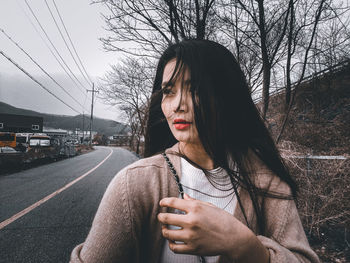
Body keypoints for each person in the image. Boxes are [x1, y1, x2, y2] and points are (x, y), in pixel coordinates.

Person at [70, 39, 320, 263]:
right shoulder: (135, 184)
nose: (178, 104)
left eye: (195, 88)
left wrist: (244, 245)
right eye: (169, 91)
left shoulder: (266, 181)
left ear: (227, 96)